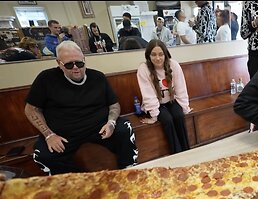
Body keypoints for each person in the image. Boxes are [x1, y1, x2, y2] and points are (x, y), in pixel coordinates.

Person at [24, 41, 138, 175]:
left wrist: (111, 123)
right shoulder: (45, 79)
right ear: (59, 63)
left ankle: (129, 172)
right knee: (43, 155)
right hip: (64, 135)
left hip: (99, 128)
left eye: (79, 63)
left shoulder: (98, 77)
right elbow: (31, 109)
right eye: (68, 64)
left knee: (124, 128)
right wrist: (49, 135)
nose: (75, 68)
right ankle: (76, 181)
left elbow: (114, 104)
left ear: (84, 60)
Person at [137, 39, 191, 154]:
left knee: (178, 116)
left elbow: (181, 88)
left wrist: (185, 107)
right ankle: (177, 154)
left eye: (161, 54)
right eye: (153, 54)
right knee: (167, 120)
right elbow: (148, 95)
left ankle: (187, 152)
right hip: (156, 104)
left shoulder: (173, 65)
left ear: (165, 54)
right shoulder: (144, 69)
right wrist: (154, 116)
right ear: (148, 56)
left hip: (171, 100)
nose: (157, 58)